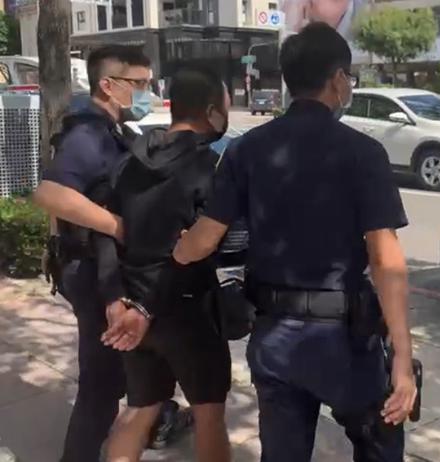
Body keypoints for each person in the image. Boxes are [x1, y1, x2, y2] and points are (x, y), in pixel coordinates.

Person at [173, 22, 416, 461]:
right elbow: (385, 259)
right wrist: (401, 355)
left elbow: (204, 240)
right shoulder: (364, 153)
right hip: (345, 343)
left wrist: (178, 247)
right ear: (337, 80)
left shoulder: (246, 149)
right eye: (349, 78)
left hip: (275, 340)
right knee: (379, 443)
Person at [32, 45, 188, 462]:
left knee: (119, 373)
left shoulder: (112, 131)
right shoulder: (88, 135)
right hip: (94, 276)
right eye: (139, 83)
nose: (147, 92)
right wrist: (119, 227)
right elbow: (50, 194)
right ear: (107, 85)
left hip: (104, 272)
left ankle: (149, 421)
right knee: (100, 386)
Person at [97, 65, 233, 462]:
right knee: (209, 416)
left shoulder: (129, 161)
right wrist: (146, 308)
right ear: (211, 111)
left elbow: (105, 231)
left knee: (140, 410)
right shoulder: (210, 168)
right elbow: (199, 247)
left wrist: (116, 298)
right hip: (188, 311)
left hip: (131, 310)